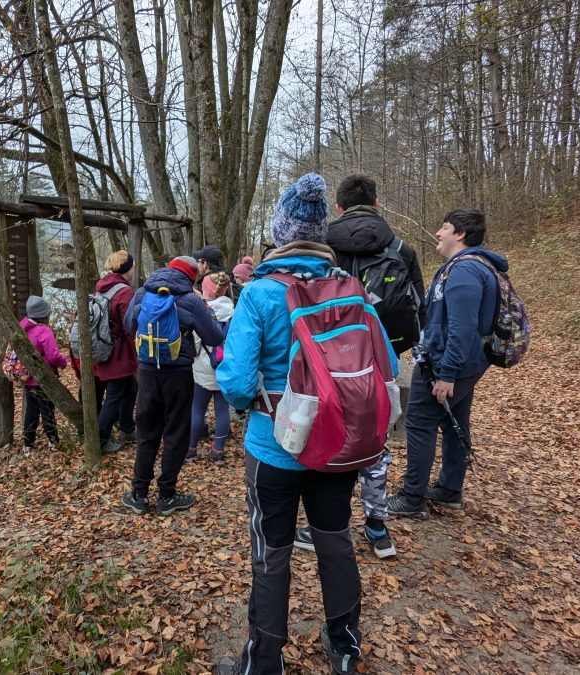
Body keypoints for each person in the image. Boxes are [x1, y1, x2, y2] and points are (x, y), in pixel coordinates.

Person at [216, 173, 366, 675]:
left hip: (273, 448)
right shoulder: (352, 291)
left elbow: (235, 381)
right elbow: (382, 362)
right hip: (340, 448)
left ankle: (264, 663)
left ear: (281, 233)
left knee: (272, 553)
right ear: (321, 234)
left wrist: (255, 401)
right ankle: (345, 647)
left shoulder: (259, 295)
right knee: (335, 540)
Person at [295, 173, 427, 560]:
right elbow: (418, 309)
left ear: (338, 206)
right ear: (376, 202)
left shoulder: (322, 247)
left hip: (326, 362)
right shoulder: (401, 248)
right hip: (379, 360)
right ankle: (376, 524)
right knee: (375, 442)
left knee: (327, 433)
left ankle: (324, 523)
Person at [387, 208, 506, 519]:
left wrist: (447, 373)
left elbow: (462, 328)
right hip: (460, 364)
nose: (438, 233)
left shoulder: (465, 272)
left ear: (461, 234)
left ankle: (413, 498)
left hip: (449, 366)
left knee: (419, 422)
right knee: (455, 425)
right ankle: (449, 490)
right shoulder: (471, 267)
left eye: (444, 228)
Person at [122, 256, 224, 517]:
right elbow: (214, 336)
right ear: (192, 277)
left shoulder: (142, 293)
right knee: (176, 433)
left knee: (146, 430)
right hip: (178, 374)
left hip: (146, 372)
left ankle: (138, 494)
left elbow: (128, 326)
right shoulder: (191, 300)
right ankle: (167, 495)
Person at [187, 271, 234, 466]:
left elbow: (196, 342)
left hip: (203, 367)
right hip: (225, 367)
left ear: (207, 290)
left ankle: (191, 450)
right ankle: (218, 452)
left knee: (197, 409)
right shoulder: (234, 310)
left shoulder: (202, 311)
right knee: (222, 411)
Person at [94, 251, 138, 455]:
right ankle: (101, 440)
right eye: (133, 265)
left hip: (104, 348)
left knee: (131, 388)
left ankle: (126, 426)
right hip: (118, 354)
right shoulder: (125, 292)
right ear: (127, 268)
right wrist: (137, 352)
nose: (134, 268)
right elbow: (130, 327)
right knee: (114, 397)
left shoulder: (103, 287)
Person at [19, 295, 69, 452]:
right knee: (47, 411)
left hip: (27, 378)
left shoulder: (21, 327)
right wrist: (64, 362)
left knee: (31, 412)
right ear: (43, 315)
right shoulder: (43, 331)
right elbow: (53, 355)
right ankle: (54, 442)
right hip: (44, 379)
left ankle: (27, 444)